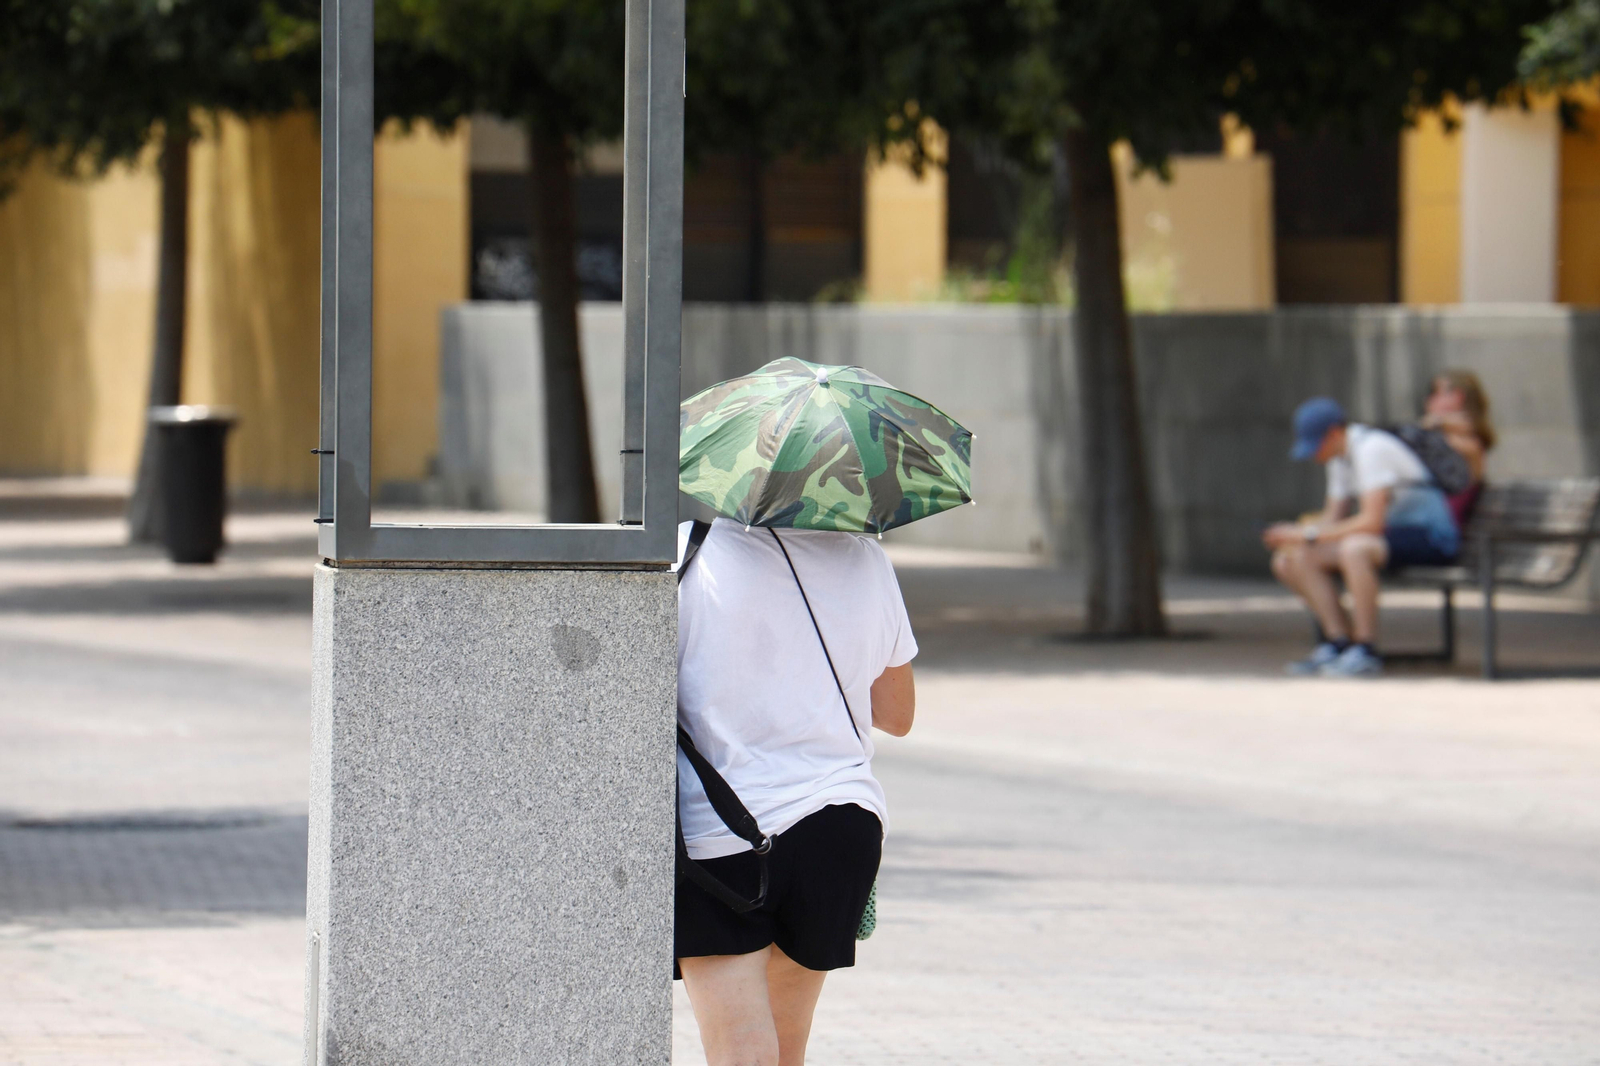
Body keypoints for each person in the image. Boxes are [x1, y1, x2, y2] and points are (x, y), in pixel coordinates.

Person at [675, 516, 917, 1066]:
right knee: (786, 1048)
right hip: (841, 823)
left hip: (723, 834)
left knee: (740, 1050)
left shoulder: (688, 551)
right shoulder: (866, 558)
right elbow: (897, 714)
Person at [1264, 397, 1460, 678]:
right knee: (1292, 558)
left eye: (1316, 445)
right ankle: (1338, 643)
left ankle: (1366, 648)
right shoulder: (1339, 459)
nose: (1314, 455)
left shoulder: (1371, 449)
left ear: (1334, 433)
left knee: (1355, 549)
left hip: (1430, 537)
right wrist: (1293, 535)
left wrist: (1308, 534)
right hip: (1390, 536)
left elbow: (1371, 522)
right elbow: (1333, 517)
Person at [1420, 369, 1496, 527]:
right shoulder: (1437, 435)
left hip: (1438, 527)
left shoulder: (1468, 443)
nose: (1430, 399)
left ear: (1457, 397)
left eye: (1436, 392)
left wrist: (1436, 422)